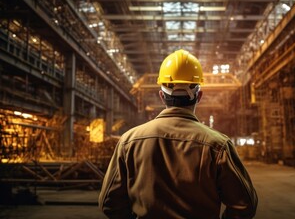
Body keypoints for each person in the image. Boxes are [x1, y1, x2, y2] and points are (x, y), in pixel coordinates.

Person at [98, 49, 258, 219]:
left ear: (161, 96)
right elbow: (244, 204)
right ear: (199, 96)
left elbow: (109, 201)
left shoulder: (129, 141)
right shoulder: (218, 146)